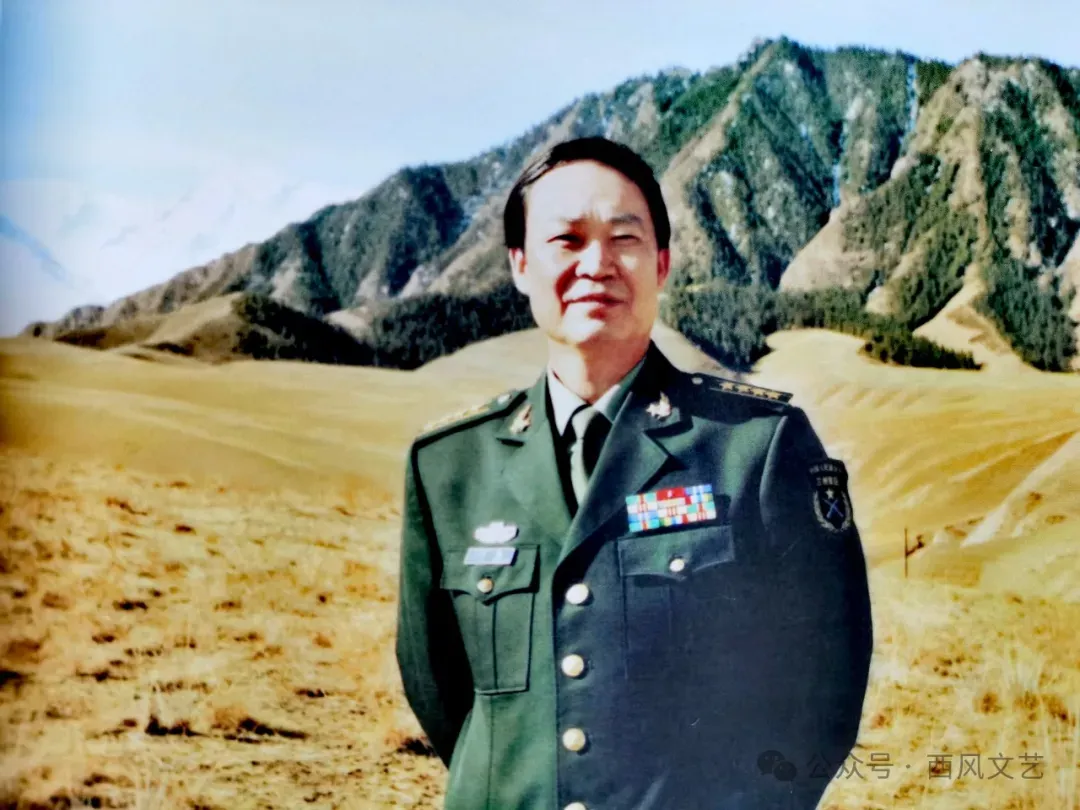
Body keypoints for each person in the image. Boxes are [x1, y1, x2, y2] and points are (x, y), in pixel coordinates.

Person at [395, 136, 873, 810]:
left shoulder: (756, 447)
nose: (597, 264)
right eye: (567, 240)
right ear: (520, 265)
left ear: (662, 264)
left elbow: (823, 683)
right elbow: (443, 693)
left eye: (624, 239)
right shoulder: (449, 466)